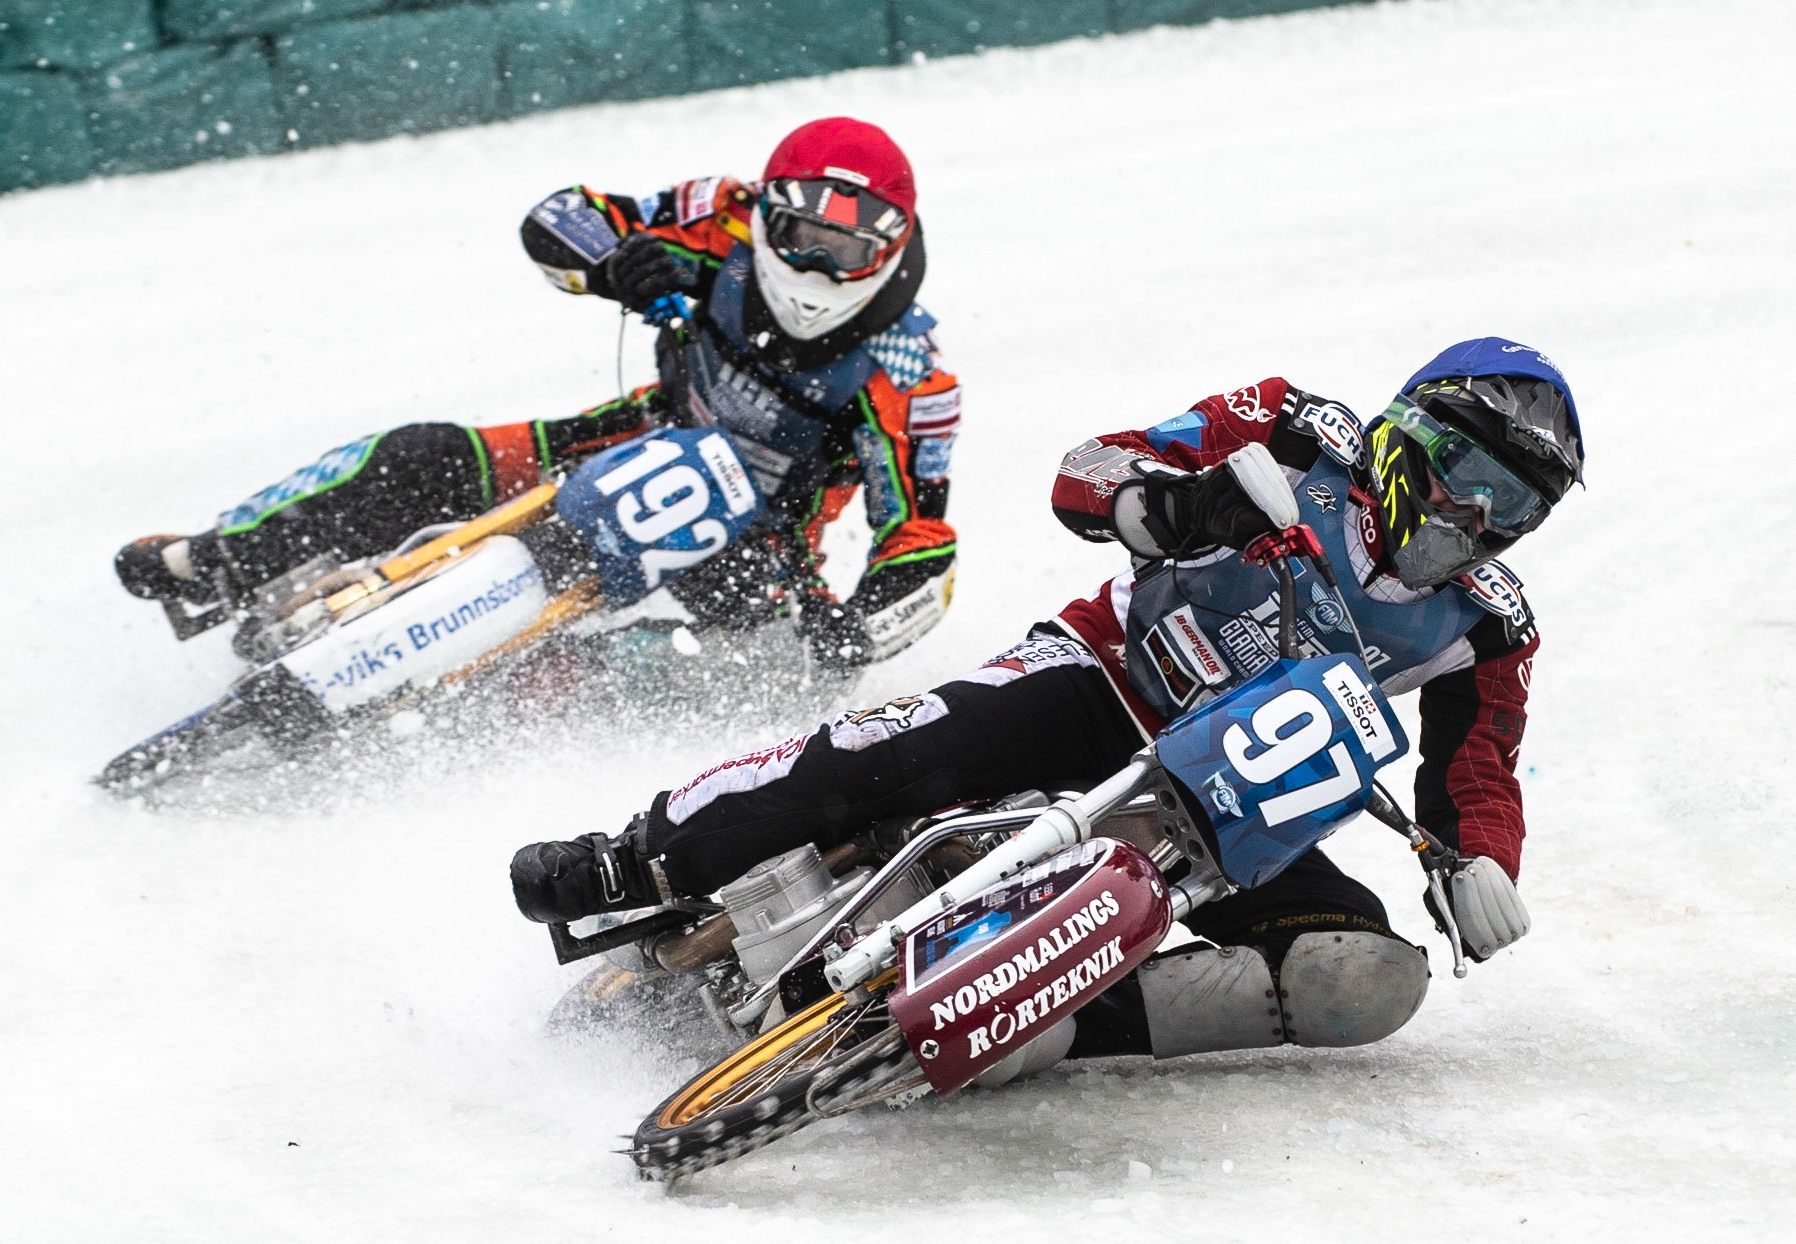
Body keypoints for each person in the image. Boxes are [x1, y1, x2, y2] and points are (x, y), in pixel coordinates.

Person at [511, 337, 1584, 1065]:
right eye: (1458, 467)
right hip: (1101, 680)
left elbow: (1473, 770)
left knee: (1359, 976)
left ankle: (1045, 1025)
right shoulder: (1294, 429)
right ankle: (638, 854)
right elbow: (1087, 468)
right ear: (1408, 431)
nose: (1471, 511)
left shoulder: (1488, 624)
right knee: (888, 750)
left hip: (1233, 816)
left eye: (1511, 504)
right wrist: (1167, 506)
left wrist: (1477, 859)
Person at [113, 117, 961, 670]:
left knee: (694, 667)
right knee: (423, 457)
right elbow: (565, 213)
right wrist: (614, 264)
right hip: (627, 437)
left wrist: (856, 627)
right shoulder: (719, 218)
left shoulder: (910, 376)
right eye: (803, 236)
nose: (816, 265)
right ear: (770, 211)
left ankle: (504, 703)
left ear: (887, 249)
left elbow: (918, 535)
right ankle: (221, 559)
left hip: (757, 558)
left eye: (844, 251)